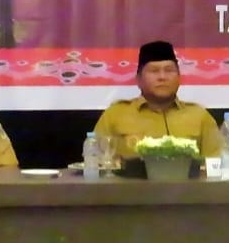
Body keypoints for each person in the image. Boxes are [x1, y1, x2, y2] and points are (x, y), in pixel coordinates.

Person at [93, 40, 222, 159]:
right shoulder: (115, 115)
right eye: (154, 71)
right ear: (138, 79)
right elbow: (94, 161)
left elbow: (217, 163)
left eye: (169, 70)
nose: (162, 77)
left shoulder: (199, 116)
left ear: (179, 78)